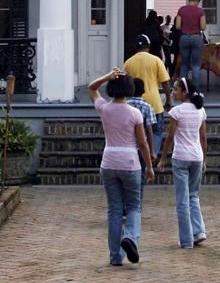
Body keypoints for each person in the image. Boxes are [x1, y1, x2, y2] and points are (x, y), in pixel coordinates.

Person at [88, 68, 155, 266]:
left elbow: (91, 88)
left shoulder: (104, 108)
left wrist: (108, 76)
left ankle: (115, 256)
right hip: (130, 163)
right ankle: (131, 237)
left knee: (114, 210)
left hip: (108, 161)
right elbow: (142, 144)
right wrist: (149, 166)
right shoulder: (135, 113)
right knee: (134, 206)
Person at [157, 77, 208, 249]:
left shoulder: (177, 112)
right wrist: (205, 159)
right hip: (197, 157)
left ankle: (186, 240)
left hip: (180, 157)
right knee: (193, 196)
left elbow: (170, 137)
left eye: (175, 90)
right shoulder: (200, 110)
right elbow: (203, 138)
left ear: (184, 92)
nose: (173, 92)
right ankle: (199, 231)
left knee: (182, 200)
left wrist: (163, 157)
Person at [123, 34, 171, 155]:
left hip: (134, 104)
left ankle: (139, 155)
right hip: (155, 104)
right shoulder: (156, 60)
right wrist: (169, 99)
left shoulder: (128, 62)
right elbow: (165, 82)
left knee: (135, 131)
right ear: (148, 46)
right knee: (157, 131)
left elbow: (124, 83)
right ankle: (152, 154)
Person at [127, 78, 156, 201]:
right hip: (141, 147)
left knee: (126, 178)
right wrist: (152, 150)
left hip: (127, 146)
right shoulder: (147, 107)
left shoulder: (125, 105)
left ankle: (125, 207)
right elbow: (149, 131)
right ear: (143, 90)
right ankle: (137, 204)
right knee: (140, 177)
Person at [174, 0, 207, 86]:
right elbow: (203, 27)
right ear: (198, 0)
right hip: (196, 38)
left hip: (184, 38)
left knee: (184, 65)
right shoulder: (200, 11)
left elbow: (178, 26)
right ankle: (195, 91)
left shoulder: (181, 10)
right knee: (196, 66)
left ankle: (183, 90)